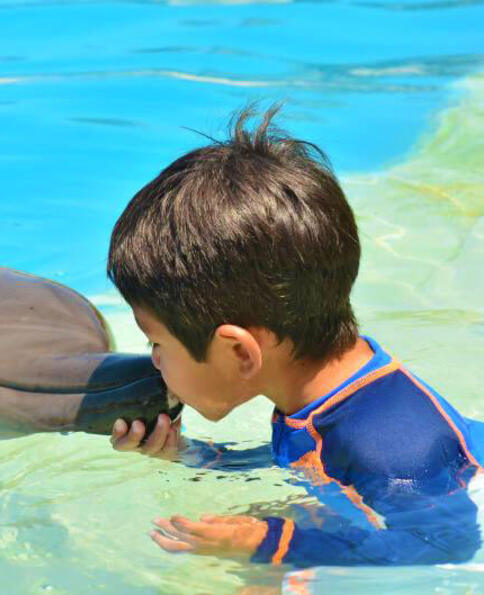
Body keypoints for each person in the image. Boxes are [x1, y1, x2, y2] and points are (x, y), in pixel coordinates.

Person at [105, 104, 483, 567]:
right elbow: (314, 464)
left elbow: (443, 545)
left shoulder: (389, 446)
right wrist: (188, 454)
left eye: (156, 343)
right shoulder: (321, 398)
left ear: (240, 352)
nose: (155, 362)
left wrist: (275, 543)